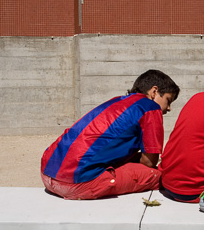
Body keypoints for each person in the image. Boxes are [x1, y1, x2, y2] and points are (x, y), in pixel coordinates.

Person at [41, 69, 180, 200]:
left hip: (47, 174)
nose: (169, 108)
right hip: (77, 183)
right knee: (162, 176)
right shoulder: (150, 108)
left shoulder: (117, 101)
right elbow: (149, 162)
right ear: (154, 92)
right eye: (168, 100)